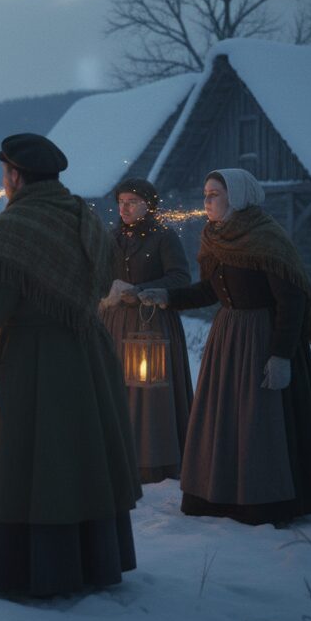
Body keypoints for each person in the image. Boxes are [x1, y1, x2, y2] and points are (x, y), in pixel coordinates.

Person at [0, 133, 139, 596]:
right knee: (80, 461)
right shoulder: (84, 217)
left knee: (34, 465)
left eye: (5, 172)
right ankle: (90, 563)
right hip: (88, 356)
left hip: (34, 367)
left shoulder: (14, 226)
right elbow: (101, 283)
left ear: (16, 176)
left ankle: (31, 570)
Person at [138, 168, 311, 526]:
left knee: (260, 420)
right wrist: (167, 296)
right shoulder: (214, 238)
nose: (207, 201)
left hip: (263, 337)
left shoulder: (266, 238)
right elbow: (208, 291)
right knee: (225, 420)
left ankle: (263, 501)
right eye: (205, 194)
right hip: (229, 338)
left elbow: (292, 301)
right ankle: (217, 496)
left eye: (214, 194)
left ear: (238, 197)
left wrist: (280, 355)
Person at [100, 178, 194, 483]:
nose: (124, 208)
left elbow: (180, 278)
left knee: (150, 393)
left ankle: (154, 462)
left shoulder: (164, 237)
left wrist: (140, 290)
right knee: (116, 391)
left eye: (132, 202)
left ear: (148, 205)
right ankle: (118, 458)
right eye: (121, 202)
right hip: (115, 324)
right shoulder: (111, 237)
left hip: (152, 322)